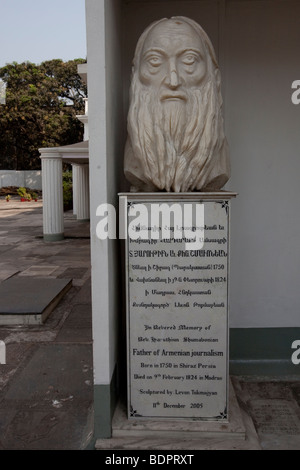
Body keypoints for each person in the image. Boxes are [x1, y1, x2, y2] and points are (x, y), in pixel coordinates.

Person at [124, 16, 230, 193]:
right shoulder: (132, 162)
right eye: (155, 61)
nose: (173, 80)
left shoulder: (220, 162)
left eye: (189, 60)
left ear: (215, 78)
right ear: (135, 77)